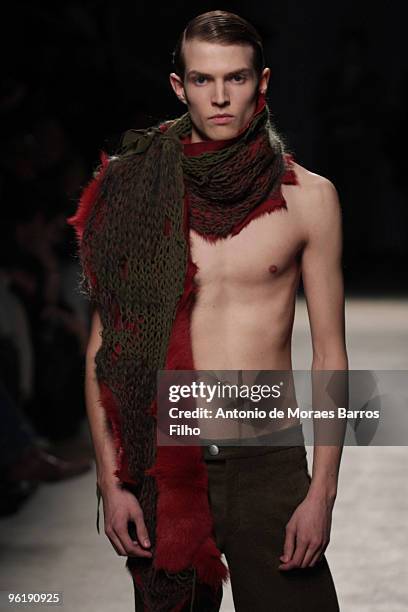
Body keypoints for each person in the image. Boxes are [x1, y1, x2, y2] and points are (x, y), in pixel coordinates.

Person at [68, 10, 347, 612]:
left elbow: (330, 353)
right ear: (179, 86)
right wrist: (110, 481)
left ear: (262, 82)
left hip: (266, 454)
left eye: (237, 79)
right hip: (163, 460)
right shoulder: (133, 188)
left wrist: (321, 492)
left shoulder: (311, 198)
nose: (220, 97)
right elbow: (104, 347)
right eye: (201, 80)